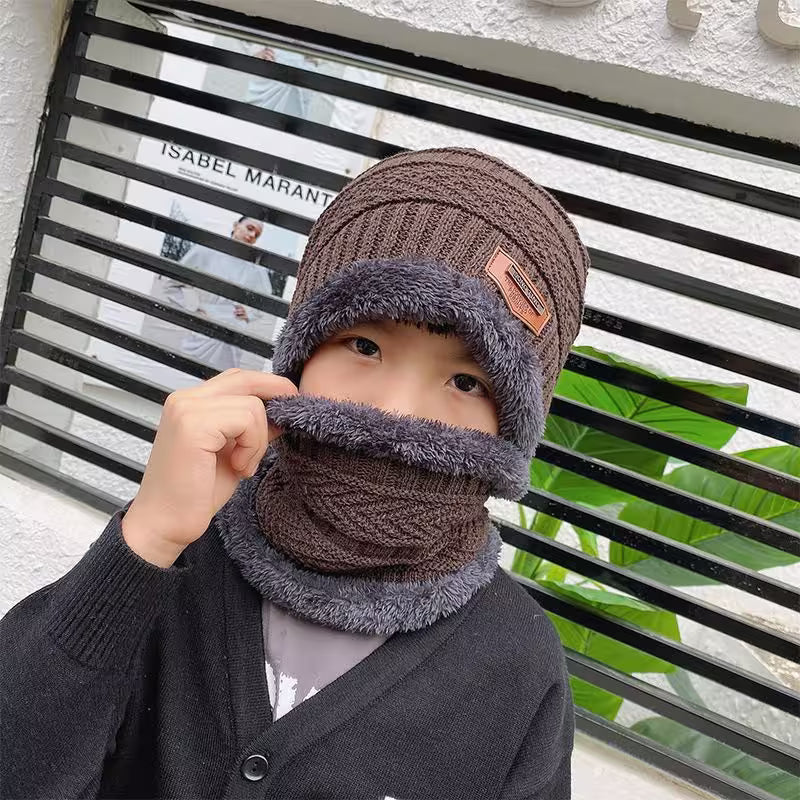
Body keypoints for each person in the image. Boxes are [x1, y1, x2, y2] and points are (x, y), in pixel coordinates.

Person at [0, 148, 589, 799]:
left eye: (466, 381)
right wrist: (147, 538)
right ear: (300, 355)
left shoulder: (518, 666)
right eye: (364, 345)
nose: (395, 410)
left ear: (513, 424)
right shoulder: (173, 561)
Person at [165, 216, 277, 372]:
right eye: (249, 228)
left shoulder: (256, 269)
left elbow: (266, 301)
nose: (252, 235)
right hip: (203, 326)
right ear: (236, 225)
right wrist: (194, 308)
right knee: (188, 373)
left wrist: (249, 312)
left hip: (232, 334)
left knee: (222, 379)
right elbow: (172, 284)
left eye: (257, 235)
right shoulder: (206, 250)